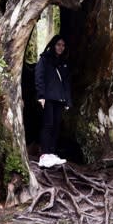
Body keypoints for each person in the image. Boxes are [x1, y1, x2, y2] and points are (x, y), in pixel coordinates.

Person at [35, 35, 72, 168]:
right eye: (58, 45)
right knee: (48, 125)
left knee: (56, 125)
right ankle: (44, 155)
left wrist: (68, 101)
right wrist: (41, 96)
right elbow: (39, 77)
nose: (60, 47)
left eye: (62, 45)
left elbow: (66, 82)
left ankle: (52, 153)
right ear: (53, 45)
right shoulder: (45, 59)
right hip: (48, 98)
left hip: (60, 99)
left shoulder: (64, 62)